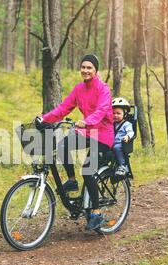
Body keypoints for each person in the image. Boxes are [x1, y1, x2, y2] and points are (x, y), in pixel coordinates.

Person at [37, 54, 114, 231]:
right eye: (83, 67)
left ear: (95, 70)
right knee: (62, 145)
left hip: (102, 135)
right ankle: (72, 180)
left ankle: (95, 212)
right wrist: (44, 118)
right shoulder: (79, 89)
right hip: (87, 131)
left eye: (89, 68)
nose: (85, 70)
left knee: (88, 170)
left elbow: (101, 110)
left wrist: (87, 121)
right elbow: (63, 108)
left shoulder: (103, 89)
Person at [112, 97, 134, 176]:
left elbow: (131, 132)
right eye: (113, 113)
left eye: (118, 113)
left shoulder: (127, 124)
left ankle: (123, 165)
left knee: (117, 148)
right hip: (112, 143)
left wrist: (127, 136)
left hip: (121, 144)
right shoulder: (112, 123)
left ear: (124, 114)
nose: (115, 115)